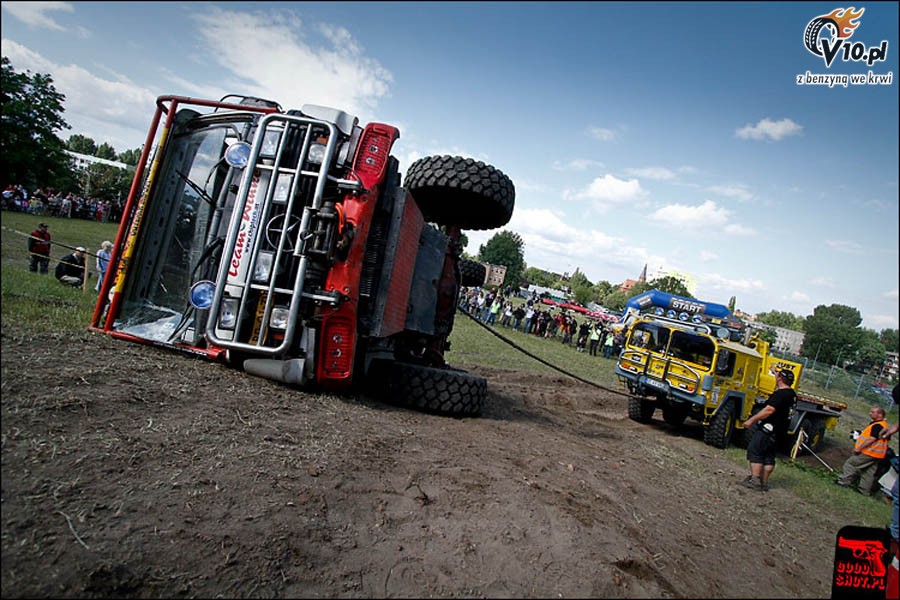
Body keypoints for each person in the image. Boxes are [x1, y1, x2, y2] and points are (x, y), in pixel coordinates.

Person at [740, 369, 797, 492]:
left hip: (768, 429)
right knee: (769, 456)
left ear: (780, 379)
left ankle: (755, 480)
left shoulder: (780, 394)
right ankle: (764, 482)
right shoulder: (792, 395)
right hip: (779, 432)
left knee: (755, 450)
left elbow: (769, 410)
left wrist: (751, 420)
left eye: (777, 376)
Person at [837, 406, 890, 495]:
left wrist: (859, 448)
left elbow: (871, 439)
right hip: (878, 454)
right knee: (869, 472)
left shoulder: (877, 425)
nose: (870, 413)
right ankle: (864, 491)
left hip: (870, 452)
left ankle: (843, 482)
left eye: (873, 412)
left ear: (880, 414)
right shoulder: (884, 426)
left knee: (851, 464)